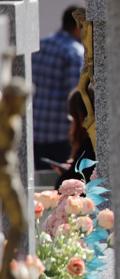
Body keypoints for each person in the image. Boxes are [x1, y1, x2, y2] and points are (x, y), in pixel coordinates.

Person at [32, 7, 85, 173]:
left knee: (39, 185)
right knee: (64, 189)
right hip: (62, 135)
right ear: (78, 26)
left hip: (35, 131)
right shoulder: (74, 52)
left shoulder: (41, 44)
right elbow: (75, 99)